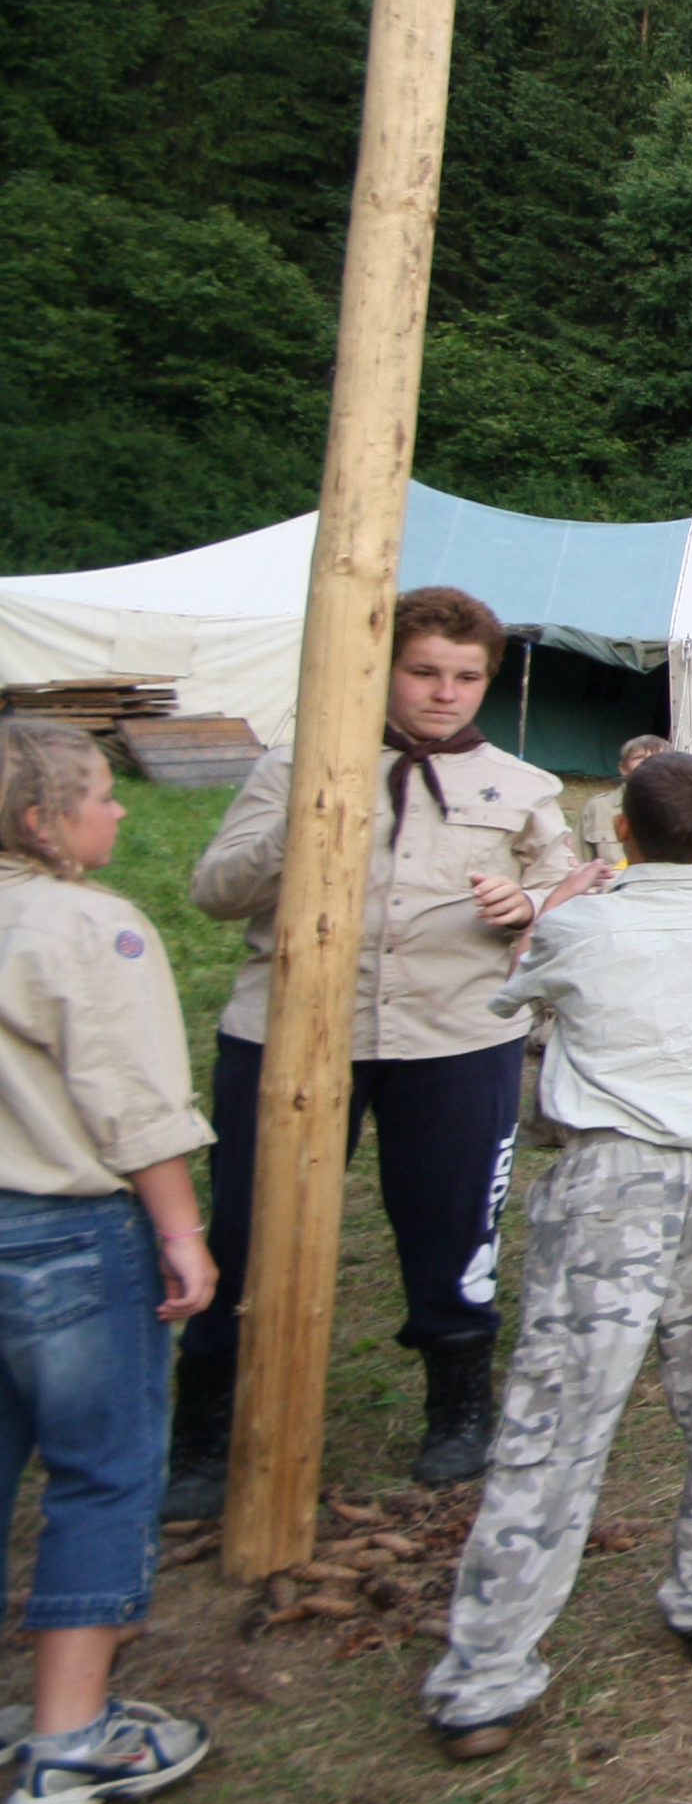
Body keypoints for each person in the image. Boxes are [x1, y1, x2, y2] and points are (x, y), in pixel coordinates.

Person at [170, 584, 578, 1516]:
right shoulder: (295, 766)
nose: (445, 693)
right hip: (288, 1036)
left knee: (449, 1225)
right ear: (382, 669)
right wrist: (307, 812)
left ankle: (457, 1402)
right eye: (424, 672)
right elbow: (214, 891)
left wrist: (529, 907)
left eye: (466, 677)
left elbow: (567, 899)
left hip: (454, 1035)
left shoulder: (522, 789)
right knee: (248, 1227)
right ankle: (207, 1425)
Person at [418, 749, 692, 1761]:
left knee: (560, 1412)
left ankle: (487, 1676)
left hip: (618, 1178)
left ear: (619, 829)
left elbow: (512, 995)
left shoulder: (582, 920)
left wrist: (552, 909)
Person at [0, 721, 220, 1804]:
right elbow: (132, 1102)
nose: (120, 807)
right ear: (42, 820)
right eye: (99, 792)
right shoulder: (88, 926)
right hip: (62, 1234)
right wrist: (180, 1232)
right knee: (101, 1467)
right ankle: (69, 1738)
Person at [576, 733, 671, 874]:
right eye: (639, 758)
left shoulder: (681, 807)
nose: (648, 763)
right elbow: (579, 861)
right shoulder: (598, 806)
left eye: (658, 758)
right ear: (623, 768)